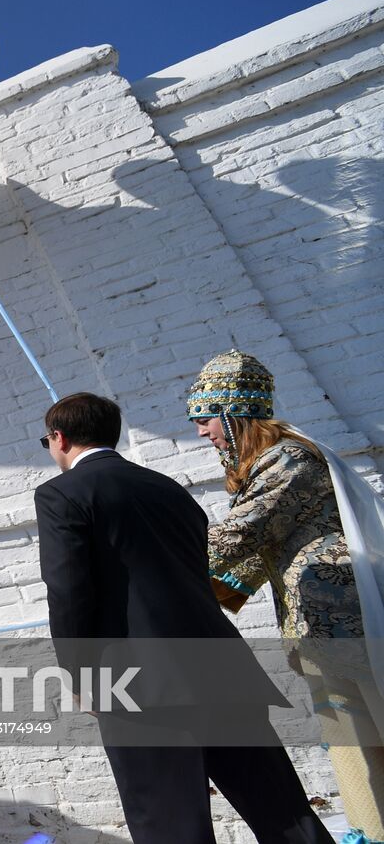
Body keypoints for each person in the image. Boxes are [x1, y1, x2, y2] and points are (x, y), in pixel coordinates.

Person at [35, 391, 332, 843]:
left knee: (169, 823)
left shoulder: (62, 493)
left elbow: (69, 590)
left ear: (59, 438)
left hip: (138, 684)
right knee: (285, 813)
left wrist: (78, 672)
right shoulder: (168, 488)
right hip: (220, 666)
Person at [188, 350, 384, 841]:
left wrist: (153, 569)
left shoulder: (288, 460)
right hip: (318, 632)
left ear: (236, 414)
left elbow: (239, 536)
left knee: (376, 739)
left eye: (206, 418)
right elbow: (256, 555)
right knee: (352, 746)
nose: (200, 432)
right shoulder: (268, 464)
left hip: (351, 627)